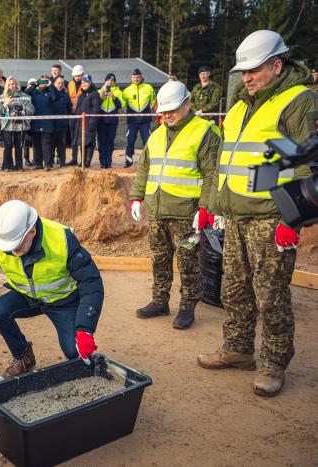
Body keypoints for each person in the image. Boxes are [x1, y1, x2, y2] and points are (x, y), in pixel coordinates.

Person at [199, 30, 317, 396]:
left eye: (254, 70)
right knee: (234, 289)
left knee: (271, 296)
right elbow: (225, 160)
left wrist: (292, 219)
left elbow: (308, 164)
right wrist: (213, 206)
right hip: (235, 215)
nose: (246, 77)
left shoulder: (299, 101)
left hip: (271, 218)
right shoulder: (238, 105)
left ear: (277, 65)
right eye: (243, 71)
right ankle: (238, 349)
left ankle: (273, 363)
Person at [0, 200, 104, 376]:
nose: (12, 251)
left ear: (32, 232)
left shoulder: (61, 239)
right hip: (28, 296)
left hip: (62, 301)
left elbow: (91, 282)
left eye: (16, 245)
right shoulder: (0, 240)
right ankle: (23, 356)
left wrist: (85, 329)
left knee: (74, 352)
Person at [129, 81, 219, 330]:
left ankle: (187, 308)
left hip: (186, 215)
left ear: (188, 103)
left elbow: (213, 174)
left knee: (188, 262)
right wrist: (136, 197)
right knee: (159, 259)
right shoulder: (157, 135)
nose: (167, 115)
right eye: (163, 111)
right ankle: (160, 301)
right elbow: (144, 169)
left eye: (173, 110)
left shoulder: (204, 132)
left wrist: (206, 209)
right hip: (158, 212)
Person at [0, 76, 34, 171]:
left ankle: (19, 166)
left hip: (21, 125)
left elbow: (32, 110)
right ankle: (7, 166)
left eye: (13, 84)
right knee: (8, 146)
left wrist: (24, 108)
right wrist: (5, 104)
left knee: (19, 147)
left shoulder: (24, 96)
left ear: (17, 84)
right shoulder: (2, 96)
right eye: (10, 84)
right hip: (7, 125)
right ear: (7, 85)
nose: (12, 86)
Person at [122, 68, 156, 167]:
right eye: (134, 77)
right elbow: (123, 105)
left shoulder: (148, 87)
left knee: (147, 142)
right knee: (130, 141)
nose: (136, 79)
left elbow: (153, 100)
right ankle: (128, 161)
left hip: (145, 121)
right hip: (132, 121)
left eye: (138, 77)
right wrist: (127, 111)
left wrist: (149, 109)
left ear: (141, 77)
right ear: (131, 78)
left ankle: (148, 162)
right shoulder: (127, 90)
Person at [26, 75, 56, 170]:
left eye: (45, 82)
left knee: (46, 144)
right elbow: (26, 95)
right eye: (41, 82)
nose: (43, 84)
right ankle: (38, 163)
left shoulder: (50, 92)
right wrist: (31, 86)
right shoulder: (34, 92)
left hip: (47, 123)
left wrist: (51, 85)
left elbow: (54, 98)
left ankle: (48, 164)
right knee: (36, 144)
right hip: (35, 123)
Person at [73, 75, 101, 168]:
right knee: (82, 142)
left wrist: (92, 122)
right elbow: (78, 110)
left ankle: (88, 161)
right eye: (83, 83)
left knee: (89, 142)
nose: (84, 84)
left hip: (89, 122)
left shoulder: (94, 94)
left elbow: (96, 109)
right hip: (81, 123)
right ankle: (83, 161)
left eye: (86, 82)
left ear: (90, 83)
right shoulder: (81, 95)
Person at [97, 73, 124, 169]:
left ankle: (108, 162)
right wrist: (102, 97)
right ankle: (102, 162)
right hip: (101, 121)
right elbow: (96, 105)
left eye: (112, 80)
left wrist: (114, 97)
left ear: (115, 82)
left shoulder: (119, 92)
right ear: (105, 81)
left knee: (110, 142)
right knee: (101, 142)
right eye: (108, 80)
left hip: (112, 121)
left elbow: (121, 105)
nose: (110, 82)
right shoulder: (99, 91)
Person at [51, 77, 71, 167]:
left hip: (62, 124)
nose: (60, 85)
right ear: (54, 84)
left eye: (62, 83)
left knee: (62, 144)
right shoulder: (50, 93)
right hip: (51, 124)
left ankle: (62, 162)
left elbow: (69, 108)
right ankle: (50, 161)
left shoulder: (66, 95)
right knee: (51, 144)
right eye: (58, 83)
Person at [67, 65, 85, 165]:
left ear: (82, 75)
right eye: (76, 75)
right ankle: (74, 159)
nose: (78, 77)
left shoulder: (86, 84)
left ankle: (83, 160)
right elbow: (67, 98)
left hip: (82, 114)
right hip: (72, 114)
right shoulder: (69, 85)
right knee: (73, 137)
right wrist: (70, 107)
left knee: (82, 137)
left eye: (79, 75)